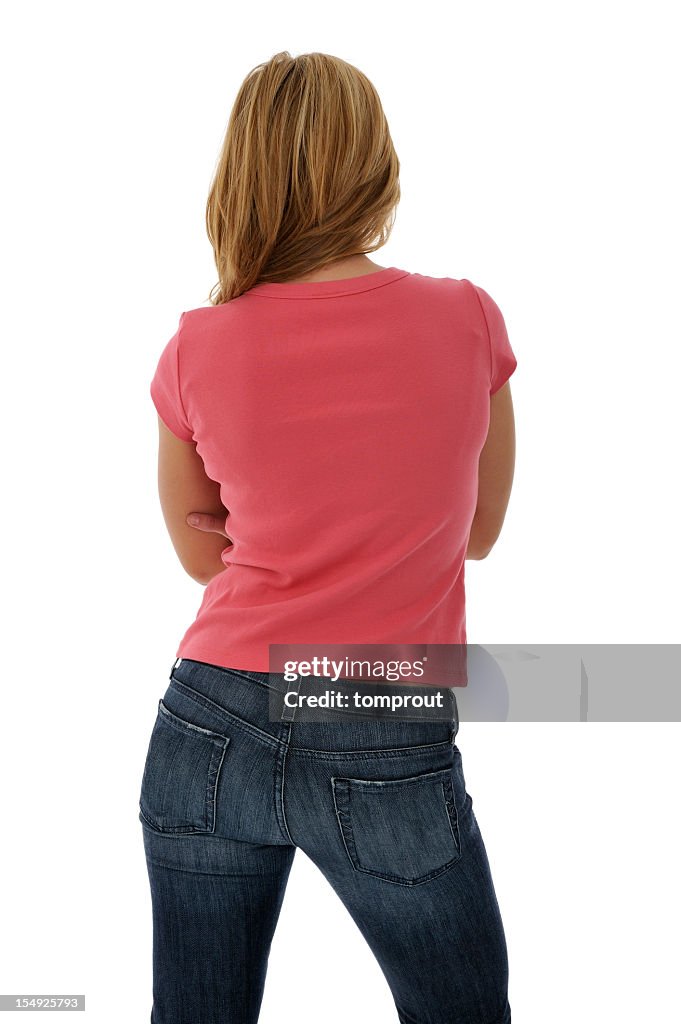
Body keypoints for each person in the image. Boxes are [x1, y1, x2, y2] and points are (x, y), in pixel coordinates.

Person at [139, 49, 517, 1024]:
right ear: (376, 167)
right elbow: (478, 530)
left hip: (211, 712)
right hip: (377, 701)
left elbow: (200, 553)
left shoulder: (196, 345)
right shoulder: (467, 321)